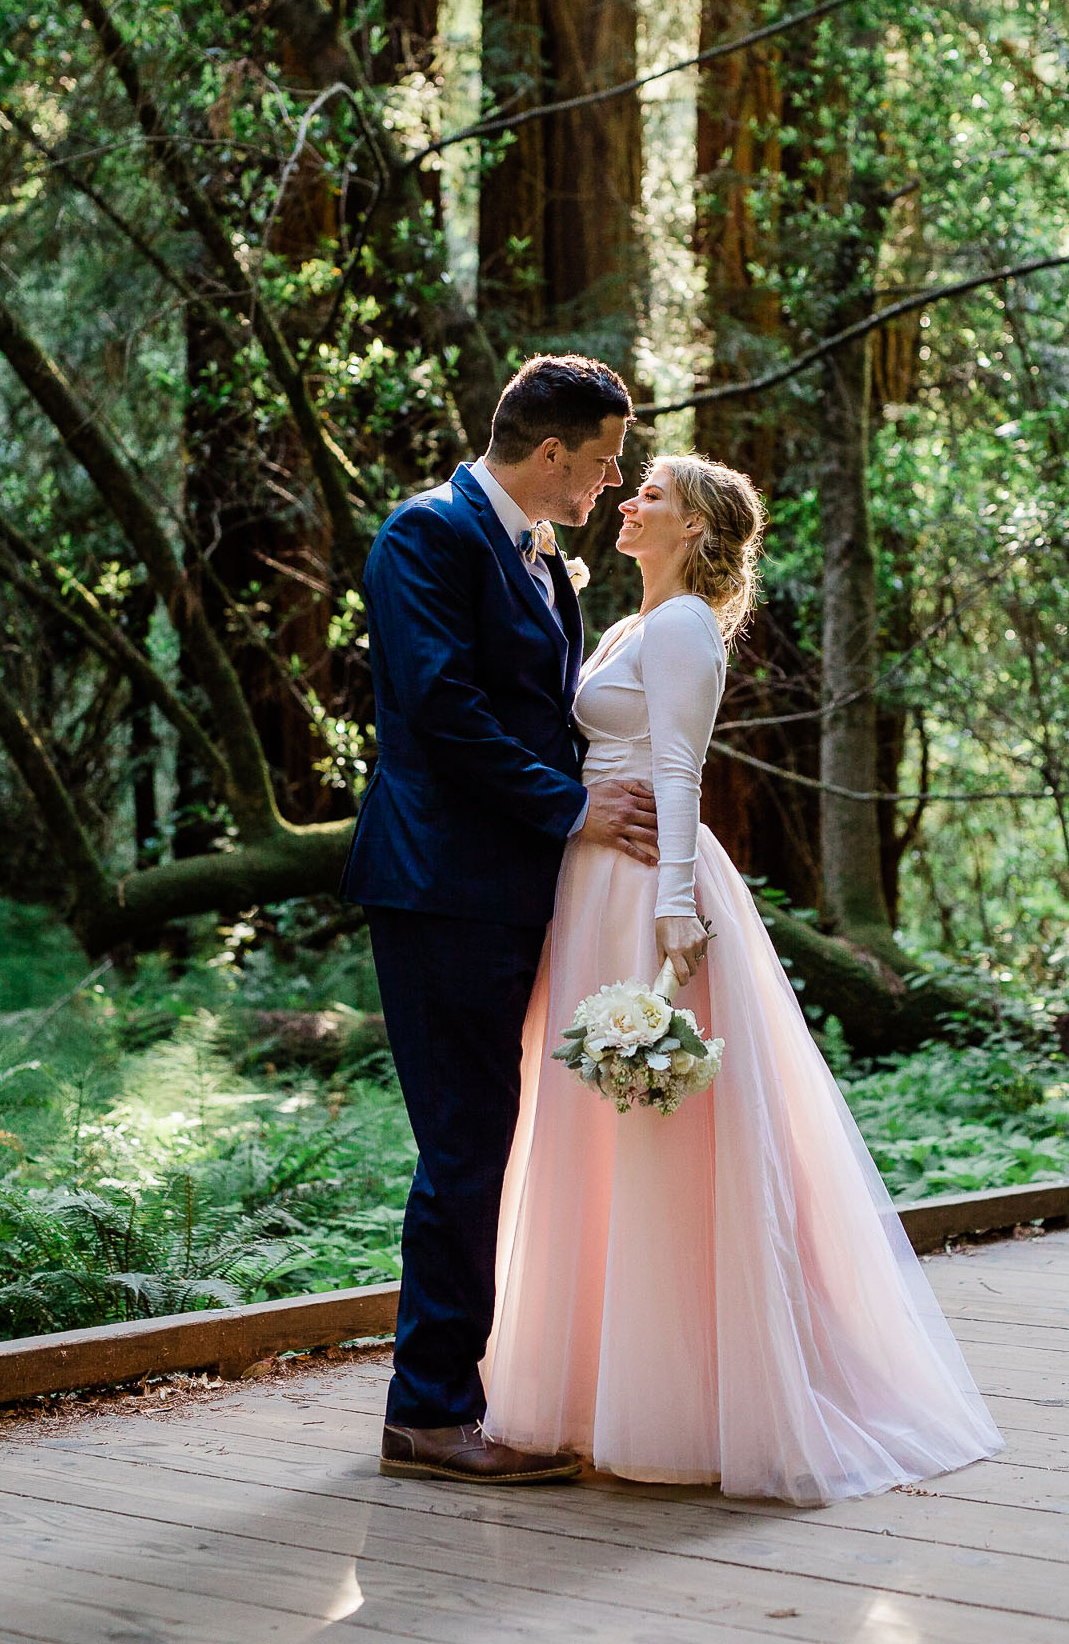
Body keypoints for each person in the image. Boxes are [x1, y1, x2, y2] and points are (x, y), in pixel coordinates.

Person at [483, 453, 1004, 1503]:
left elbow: (679, 769)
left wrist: (675, 908)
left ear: (697, 530)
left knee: (658, 1135)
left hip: (645, 890)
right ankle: (593, 1386)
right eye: (629, 491)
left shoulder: (680, 631)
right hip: (591, 882)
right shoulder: (636, 622)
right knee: (597, 1129)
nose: (628, 501)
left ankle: (681, 1400)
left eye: (652, 496)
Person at [342, 353, 660, 1486]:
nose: (614, 479)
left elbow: (545, 709)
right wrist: (570, 805)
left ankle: (453, 1394)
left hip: (518, 888)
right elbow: (441, 709)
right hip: (439, 885)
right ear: (552, 452)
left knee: (491, 1137)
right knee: (465, 1142)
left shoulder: (547, 563)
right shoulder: (423, 535)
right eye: (607, 456)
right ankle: (427, 1411)